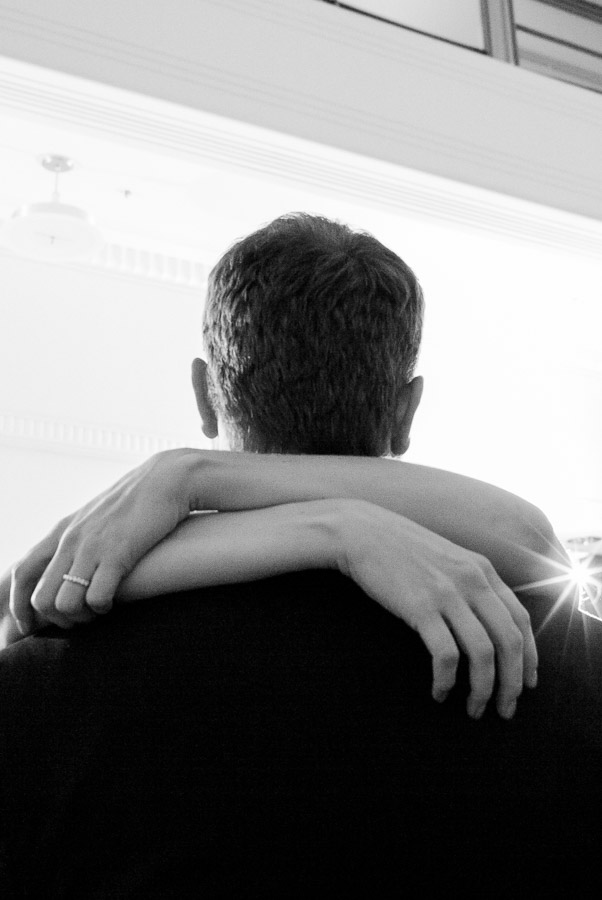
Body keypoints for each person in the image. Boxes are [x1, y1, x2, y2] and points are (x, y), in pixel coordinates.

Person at [1, 213, 599, 896]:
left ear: (205, 394)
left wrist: (204, 477)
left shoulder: (39, 682)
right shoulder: (564, 653)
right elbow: (527, 534)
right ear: (407, 412)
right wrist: (334, 523)